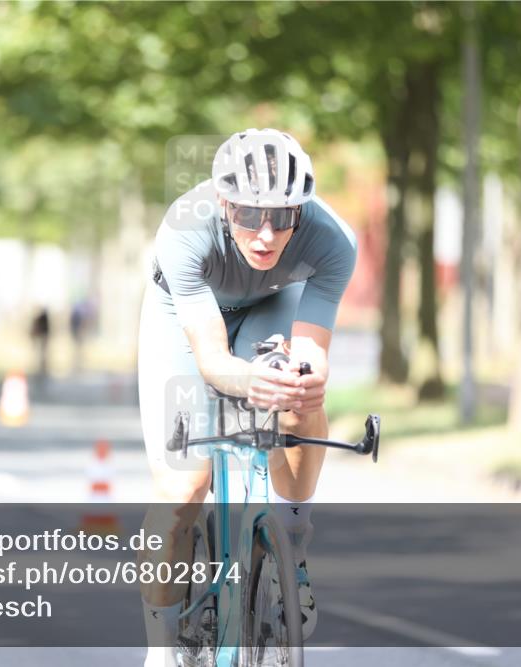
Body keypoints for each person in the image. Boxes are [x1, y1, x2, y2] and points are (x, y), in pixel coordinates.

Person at [138, 129, 357, 664]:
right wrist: (245, 381)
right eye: (248, 215)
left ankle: (293, 531)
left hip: (276, 301)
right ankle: (162, 647)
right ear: (223, 203)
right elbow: (212, 361)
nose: (264, 234)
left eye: (282, 218)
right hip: (183, 314)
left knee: (300, 391)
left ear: (299, 212)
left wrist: (302, 380)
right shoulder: (184, 231)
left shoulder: (333, 240)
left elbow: (313, 349)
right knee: (183, 494)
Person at [30, 307, 51, 379]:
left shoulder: (43, 318)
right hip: (42, 337)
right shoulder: (42, 318)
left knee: (43, 354)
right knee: (41, 354)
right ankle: (41, 368)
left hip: (43, 337)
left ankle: (43, 368)